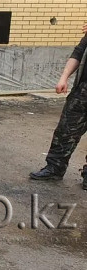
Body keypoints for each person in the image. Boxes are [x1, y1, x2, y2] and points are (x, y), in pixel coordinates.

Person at [30, 24, 87, 190]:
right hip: (83, 91)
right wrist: (64, 77)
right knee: (65, 130)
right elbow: (78, 52)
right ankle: (54, 168)